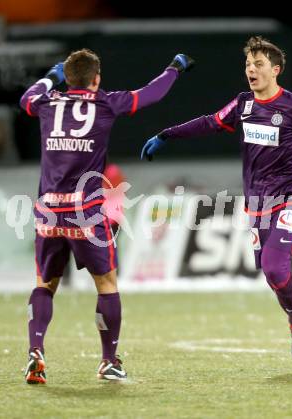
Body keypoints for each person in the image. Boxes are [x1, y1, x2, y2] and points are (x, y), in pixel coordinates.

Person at [141, 36, 292, 371]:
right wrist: (167, 134)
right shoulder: (243, 104)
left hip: (291, 198)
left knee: (275, 267)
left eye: (258, 64)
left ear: (276, 70)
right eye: (248, 64)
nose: (251, 70)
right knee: (272, 274)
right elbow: (209, 122)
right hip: (256, 204)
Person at [20, 48, 194, 383]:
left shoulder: (46, 102)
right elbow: (151, 94)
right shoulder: (104, 102)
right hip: (84, 212)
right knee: (106, 284)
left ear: (67, 78)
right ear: (96, 79)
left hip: (49, 210)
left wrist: (50, 77)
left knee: (45, 284)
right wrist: (174, 67)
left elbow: (27, 97)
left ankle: (35, 351)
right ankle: (108, 360)